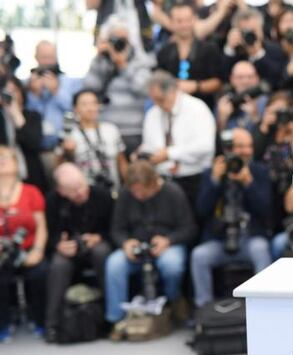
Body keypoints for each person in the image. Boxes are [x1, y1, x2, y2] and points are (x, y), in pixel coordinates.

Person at [105, 161, 197, 324]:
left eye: (143, 192)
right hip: (136, 248)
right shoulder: (126, 194)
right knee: (114, 264)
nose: (139, 196)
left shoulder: (173, 192)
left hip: (168, 245)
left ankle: (173, 301)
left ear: (154, 183)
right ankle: (116, 319)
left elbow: (189, 228)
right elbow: (116, 229)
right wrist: (125, 243)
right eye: (135, 192)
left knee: (172, 265)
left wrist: (168, 240)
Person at [190, 128, 272, 306]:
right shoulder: (212, 172)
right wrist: (214, 181)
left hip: (249, 238)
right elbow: (201, 212)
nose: (247, 151)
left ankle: (262, 308)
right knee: (199, 256)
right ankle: (204, 311)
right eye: (241, 146)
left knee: (261, 249)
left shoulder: (258, 171)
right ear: (228, 149)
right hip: (219, 239)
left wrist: (248, 183)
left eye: (249, 146)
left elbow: (266, 211)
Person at [44, 163, 114, 342]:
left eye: (82, 186)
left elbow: (115, 228)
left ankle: (110, 317)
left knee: (102, 254)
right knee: (58, 265)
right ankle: (53, 324)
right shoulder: (53, 202)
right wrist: (58, 245)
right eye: (73, 190)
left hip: (98, 246)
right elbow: (48, 234)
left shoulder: (102, 196)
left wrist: (99, 237)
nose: (80, 193)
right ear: (61, 191)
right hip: (69, 251)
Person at [139, 70, 216, 210]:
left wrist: (170, 154)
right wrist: (143, 153)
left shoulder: (197, 108)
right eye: (154, 100)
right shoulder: (153, 113)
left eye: (161, 99)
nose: (158, 104)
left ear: (173, 90)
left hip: (193, 178)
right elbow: (149, 144)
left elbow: (206, 146)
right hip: (161, 180)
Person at [82, 15, 154, 154]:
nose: (118, 44)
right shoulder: (101, 61)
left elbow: (143, 89)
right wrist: (99, 57)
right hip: (105, 130)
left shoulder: (142, 61)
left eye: (123, 40)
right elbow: (89, 90)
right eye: (114, 39)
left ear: (131, 41)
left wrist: (123, 65)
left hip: (133, 131)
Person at [0, 145, 48, 342]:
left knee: (40, 272)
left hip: (28, 247)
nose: (1, 161)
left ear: (17, 164)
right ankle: (3, 323)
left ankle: (39, 320)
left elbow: (41, 227)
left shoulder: (30, 191)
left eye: (5, 157)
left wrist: (37, 250)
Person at [55, 89, 127, 194]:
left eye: (94, 103)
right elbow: (59, 167)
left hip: (112, 189)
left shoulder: (111, 129)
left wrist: (128, 185)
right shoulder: (67, 134)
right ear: (75, 108)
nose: (90, 108)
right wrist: (68, 152)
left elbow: (121, 161)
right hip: (82, 192)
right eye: (84, 104)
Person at [156, 1, 223, 109]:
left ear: (194, 19)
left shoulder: (209, 48)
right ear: (172, 22)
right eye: (179, 21)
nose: (184, 25)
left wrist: (195, 86)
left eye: (187, 20)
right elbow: (159, 81)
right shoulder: (164, 52)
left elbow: (218, 82)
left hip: (203, 107)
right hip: (171, 107)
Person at [25, 41, 83, 152]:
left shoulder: (69, 82)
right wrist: (35, 94)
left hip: (63, 146)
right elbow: (25, 112)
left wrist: (56, 91)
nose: (47, 62)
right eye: (44, 57)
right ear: (36, 57)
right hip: (35, 147)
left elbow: (75, 109)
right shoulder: (28, 83)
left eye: (51, 57)